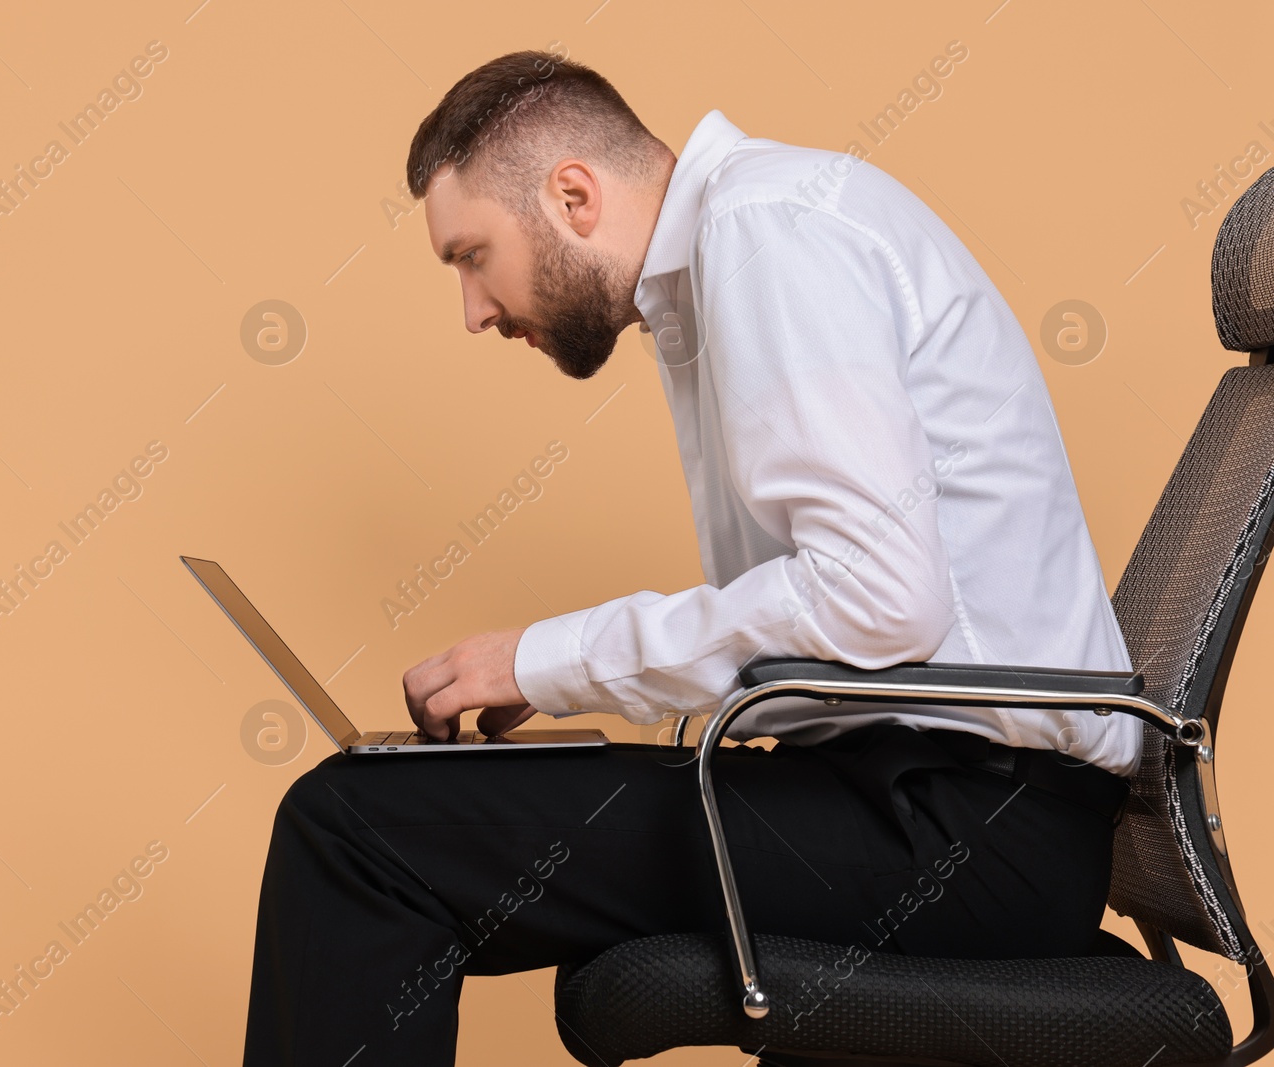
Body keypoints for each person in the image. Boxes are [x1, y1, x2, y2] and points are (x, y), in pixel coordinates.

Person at [240, 51, 1138, 1066]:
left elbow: (881, 600)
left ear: (571, 195)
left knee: (355, 828)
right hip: (928, 803)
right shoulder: (735, 249)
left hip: (967, 828)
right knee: (387, 813)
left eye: (470, 254)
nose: (474, 310)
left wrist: (549, 660)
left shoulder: (766, 230)